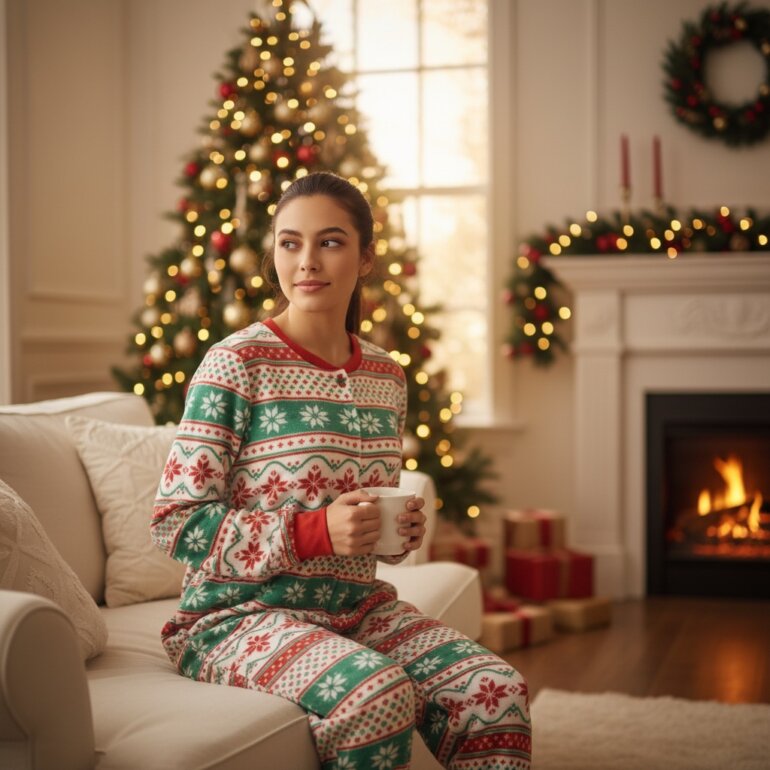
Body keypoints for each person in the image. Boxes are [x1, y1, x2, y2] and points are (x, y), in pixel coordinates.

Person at [152, 171, 532, 769]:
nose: (307, 261)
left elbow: (366, 516)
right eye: (289, 242)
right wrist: (315, 531)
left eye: (329, 242)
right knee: (375, 694)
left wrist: (399, 536)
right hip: (234, 621)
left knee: (494, 691)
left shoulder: (385, 375)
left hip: (357, 610)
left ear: (365, 258)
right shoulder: (235, 364)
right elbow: (175, 523)